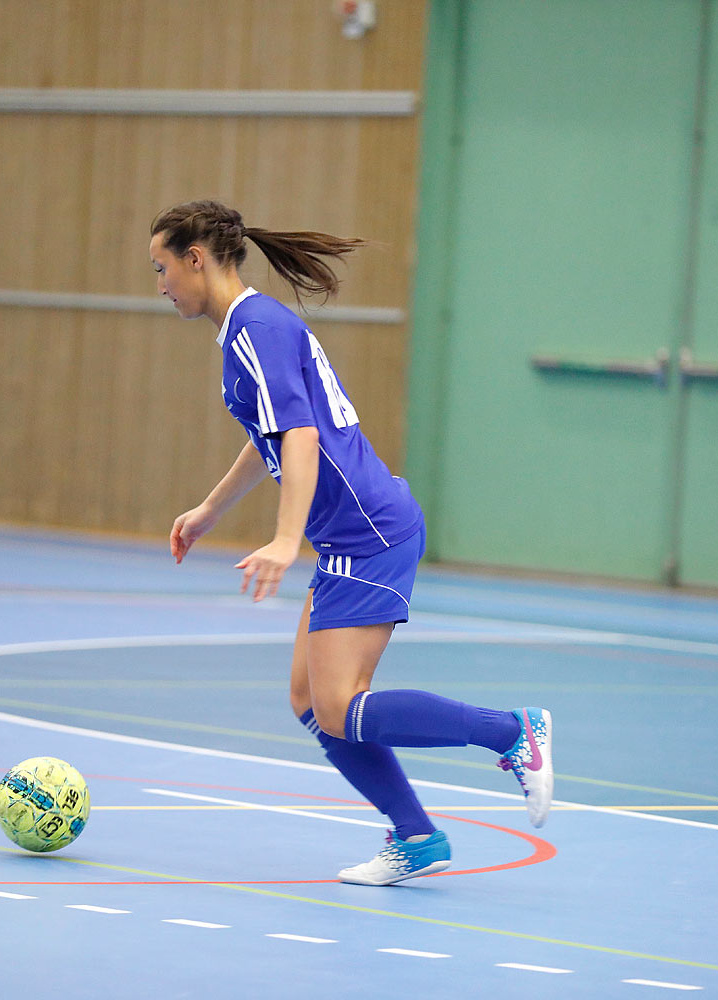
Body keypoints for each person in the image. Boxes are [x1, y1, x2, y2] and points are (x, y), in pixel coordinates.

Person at [150, 199, 553, 886]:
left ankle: (512, 732)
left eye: (162, 268)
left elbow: (303, 437)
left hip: (368, 529)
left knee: (341, 706)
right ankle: (417, 836)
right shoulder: (245, 333)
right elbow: (270, 435)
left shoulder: (255, 328)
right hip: (352, 533)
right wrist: (212, 508)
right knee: (311, 702)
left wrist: (283, 540)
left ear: (197, 259)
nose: (159, 285)